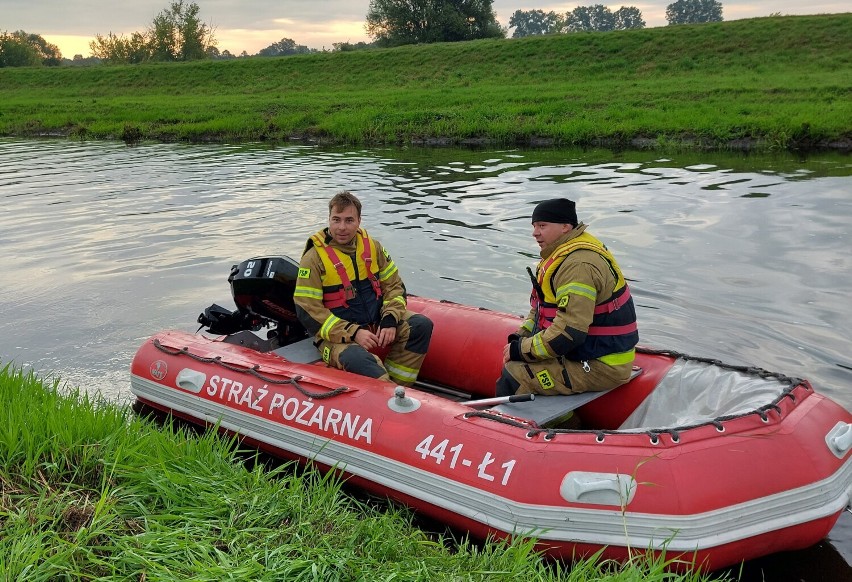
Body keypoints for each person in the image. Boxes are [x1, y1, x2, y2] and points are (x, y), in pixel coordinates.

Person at [496, 198, 638, 398]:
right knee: (517, 358)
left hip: (602, 363)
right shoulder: (561, 256)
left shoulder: (577, 266)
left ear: (565, 227)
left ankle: (564, 426)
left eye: (542, 226)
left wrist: (521, 350)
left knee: (515, 375)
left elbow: (569, 332)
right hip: (585, 352)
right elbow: (540, 309)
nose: (535, 232)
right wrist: (520, 338)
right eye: (534, 226)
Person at [293, 191, 433, 386]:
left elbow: (394, 286)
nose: (342, 227)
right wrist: (353, 332)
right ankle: (387, 393)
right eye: (336, 220)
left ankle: (399, 389)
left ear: (359, 221)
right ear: (329, 220)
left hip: (375, 322)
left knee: (420, 325)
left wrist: (390, 319)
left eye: (349, 220)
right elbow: (308, 311)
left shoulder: (372, 247)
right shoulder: (313, 258)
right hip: (337, 337)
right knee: (358, 360)